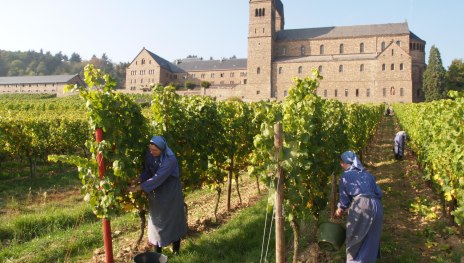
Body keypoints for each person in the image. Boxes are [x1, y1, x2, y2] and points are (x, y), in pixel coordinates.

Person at [128, 136, 187, 255]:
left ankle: (176, 251)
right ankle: (158, 254)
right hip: (156, 192)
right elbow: (149, 171)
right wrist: (137, 179)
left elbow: (158, 177)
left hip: (170, 192)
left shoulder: (170, 159)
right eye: (150, 149)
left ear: (162, 149)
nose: (151, 152)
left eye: (154, 150)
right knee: (156, 222)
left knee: (173, 220)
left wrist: (137, 188)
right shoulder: (150, 154)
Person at [335, 151, 383, 263]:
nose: (341, 165)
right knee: (371, 238)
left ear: (346, 163)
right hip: (377, 206)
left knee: (355, 239)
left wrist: (339, 210)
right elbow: (379, 193)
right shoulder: (368, 175)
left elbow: (344, 201)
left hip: (362, 206)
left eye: (341, 163)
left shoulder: (345, 176)